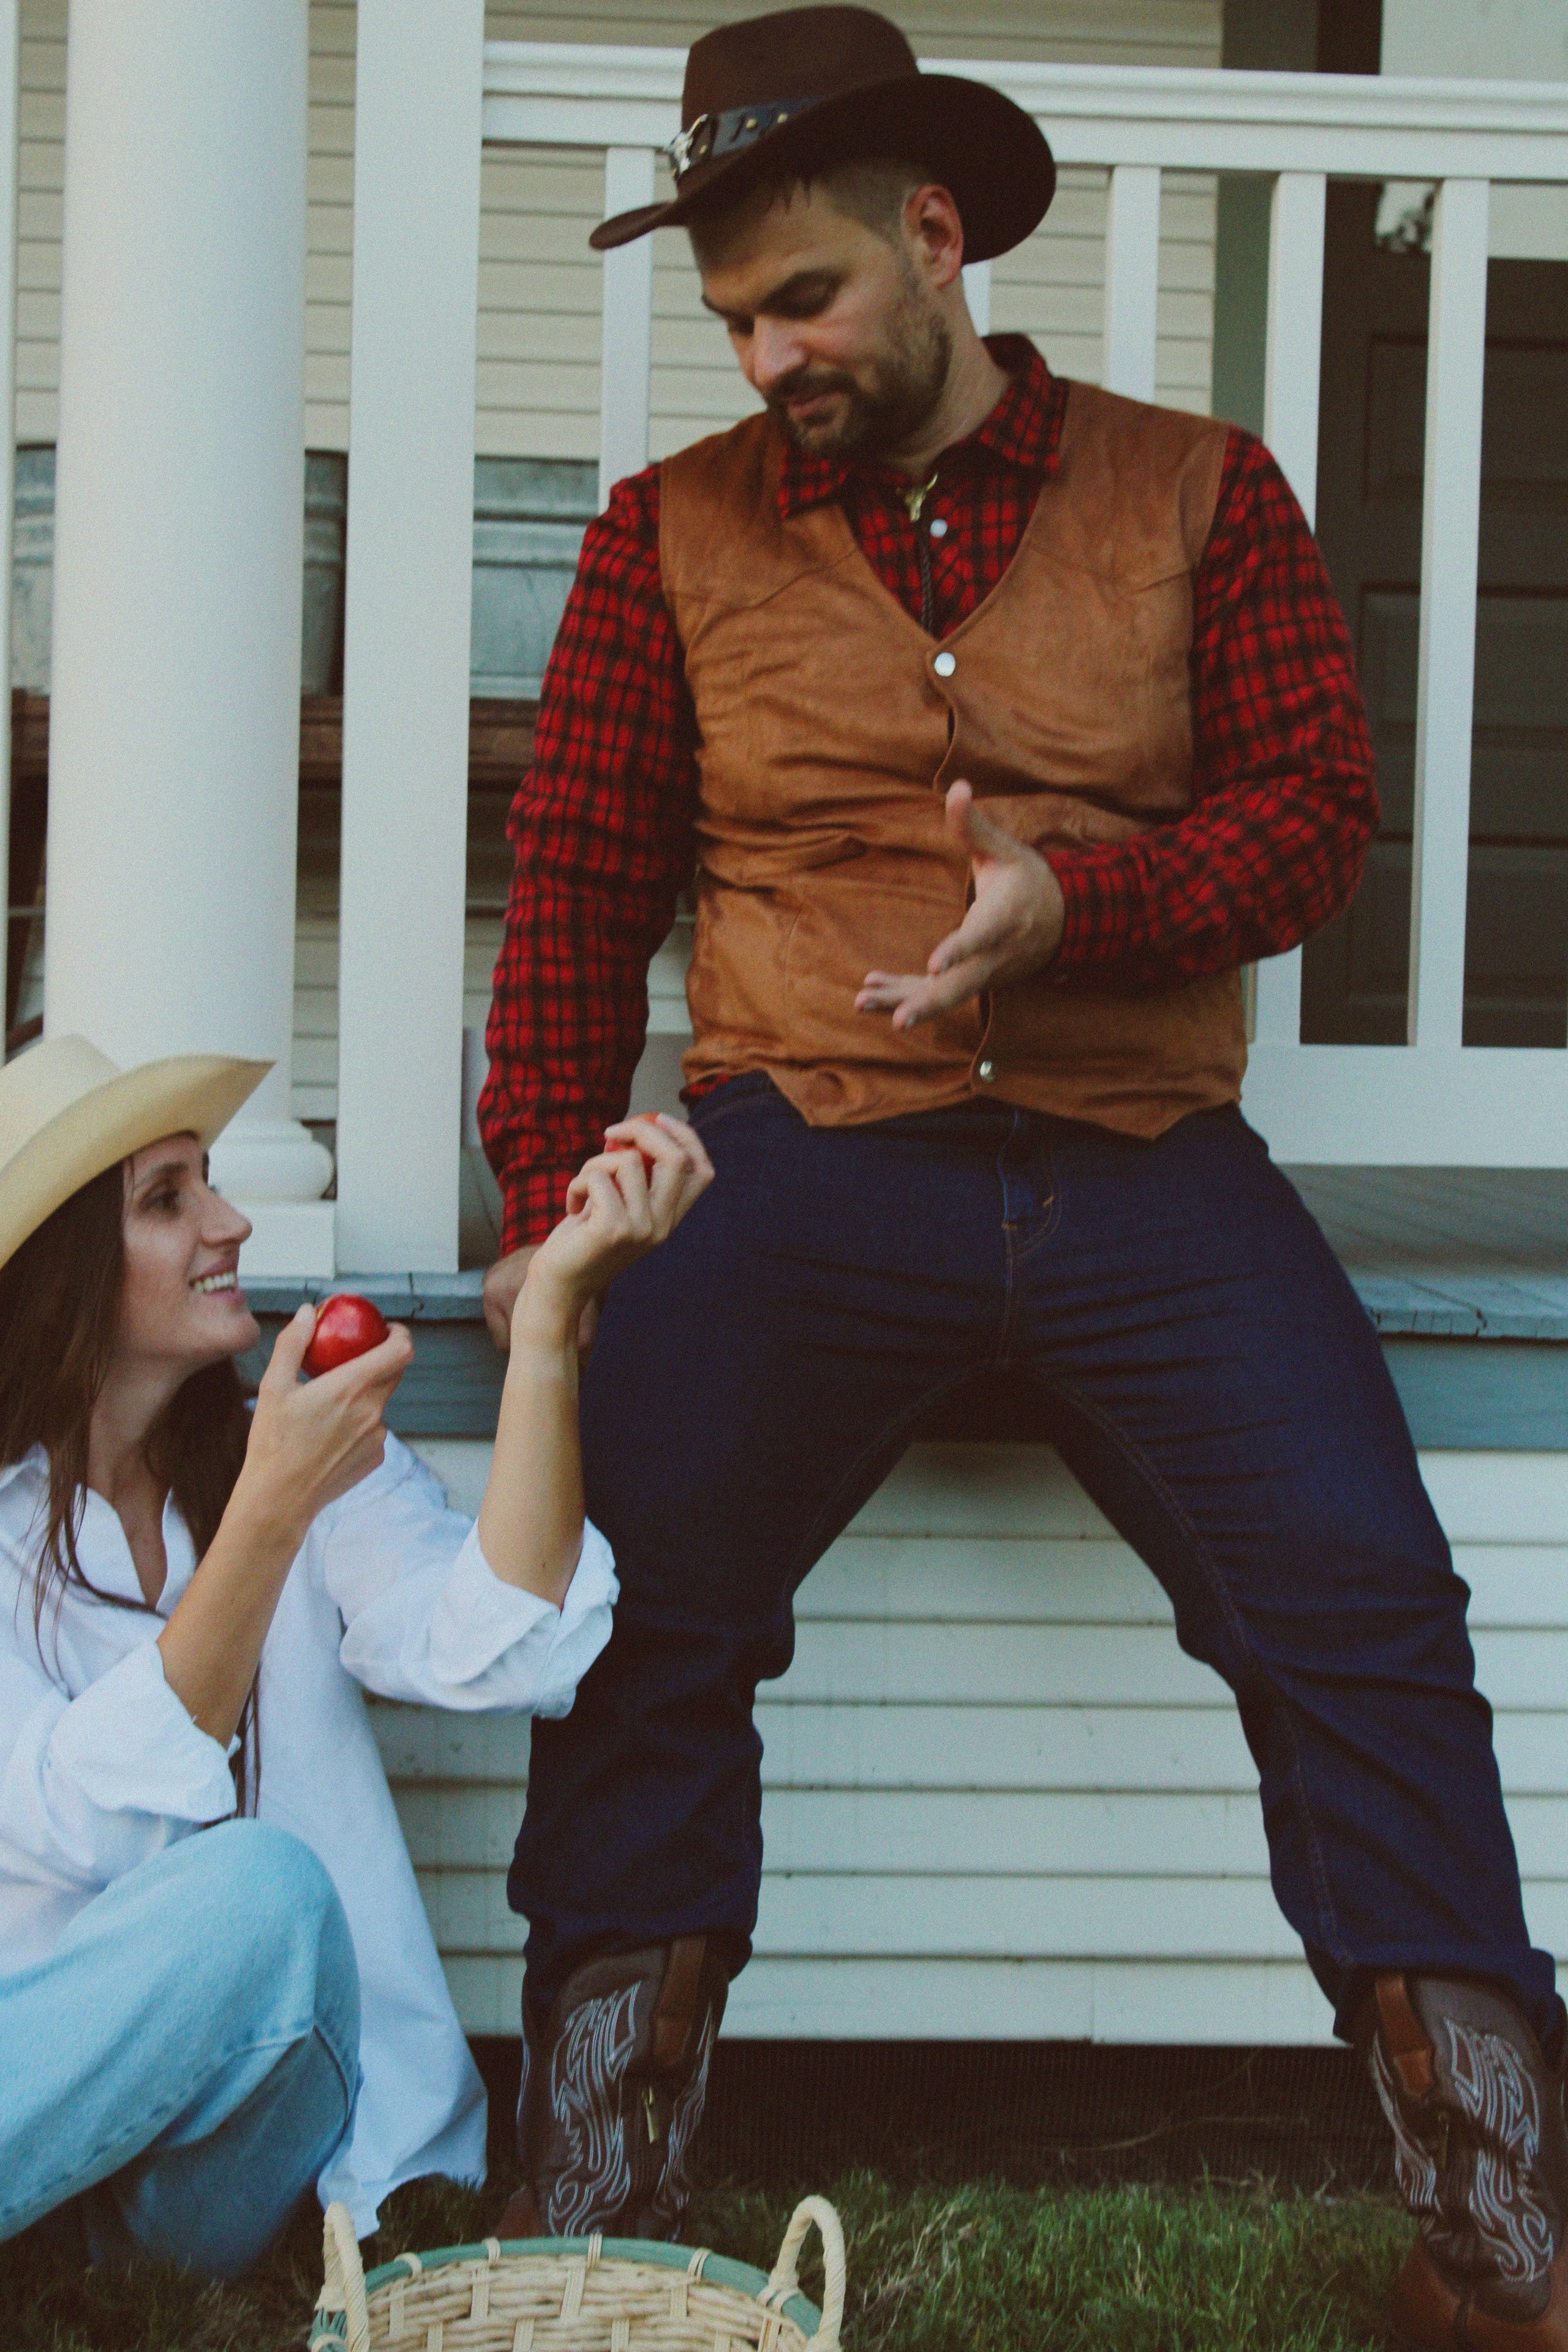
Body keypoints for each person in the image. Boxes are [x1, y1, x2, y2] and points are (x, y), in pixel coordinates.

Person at [477, 8, 1568, 2337]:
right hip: (791, 1152)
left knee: (1366, 1609)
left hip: (1143, 1160)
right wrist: (550, 1219)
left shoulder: (1203, 490)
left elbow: (1315, 818)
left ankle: (1509, 2239)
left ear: (936, 237)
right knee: (639, 1615)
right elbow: (573, 891)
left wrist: (1091, 907)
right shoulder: (658, 536)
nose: (767, 351)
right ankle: (584, 2226)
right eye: (735, 317)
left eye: (807, 300)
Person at [0, 1033, 710, 2277]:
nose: (230, 1223)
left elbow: (510, 1645)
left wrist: (545, 1323)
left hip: (204, 2181)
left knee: (265, 1898)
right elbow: (96, 1821)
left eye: (209, 1177)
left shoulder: (294, 1466)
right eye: (168, 1201)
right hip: (35, 2099)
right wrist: (271, 1507)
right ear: (63, 1270)